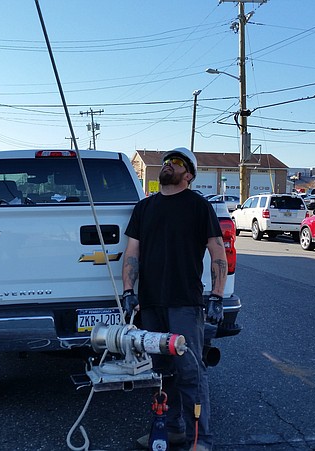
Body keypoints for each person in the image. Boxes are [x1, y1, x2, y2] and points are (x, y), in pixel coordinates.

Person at [121, 147, 227, 451]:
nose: (169, 165)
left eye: (177, 162)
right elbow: (132, 252)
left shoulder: (198, 206)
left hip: (185, 302)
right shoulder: (144, 207)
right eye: (167, 161)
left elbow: (217, 250)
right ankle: (172, 430)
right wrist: (129, 292)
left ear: (189, 175)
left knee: (190, 372)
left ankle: (200, 439)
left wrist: (217, 296)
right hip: (152, 303)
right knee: (163, 370)